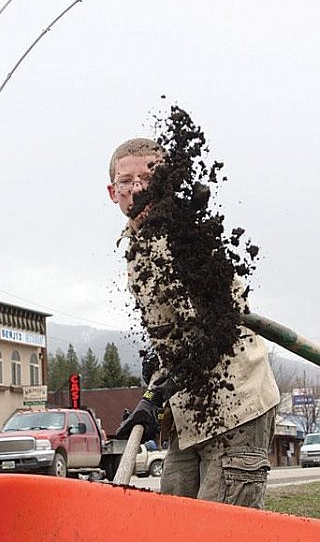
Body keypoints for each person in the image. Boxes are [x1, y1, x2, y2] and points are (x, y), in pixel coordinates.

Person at [107, 136, 279, 508]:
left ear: (169, 183)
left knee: (223, 537)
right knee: (176, 524)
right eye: (127, 180)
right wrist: (159, 366)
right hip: (190, 411)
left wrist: (155, 396)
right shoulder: (137, 248)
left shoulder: (189, 236)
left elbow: (215, 328)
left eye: (149, 177)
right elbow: (179, 334)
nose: (137, 187)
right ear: (112, 192)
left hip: (235, 402)